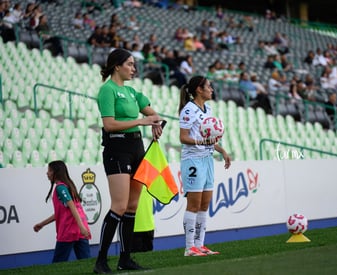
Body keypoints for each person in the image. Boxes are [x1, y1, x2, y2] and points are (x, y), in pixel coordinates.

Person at [94, 48, 163, 274]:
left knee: (132, 206)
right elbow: (109, 124)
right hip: (117, 147)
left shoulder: (133, 92)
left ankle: (125, 259)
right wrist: (142, 122)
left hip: (136, 148)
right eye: (130, 64)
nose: (134, 69)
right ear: (117, 66)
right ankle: (101, 261)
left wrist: (155, 122)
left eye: (134, 65)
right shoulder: (107, 90)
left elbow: (154, 114)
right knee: (120, 206)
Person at [178, 76, 231, 256]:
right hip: (193, 160)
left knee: (205, 204)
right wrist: (202, 141)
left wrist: (221, 150)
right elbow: (183, 137)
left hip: (207, 159)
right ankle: (189, 247)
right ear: (199, 90)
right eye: (209, 86)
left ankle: (200, 245)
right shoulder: (188, 110)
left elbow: (208, 138)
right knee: (193, 204)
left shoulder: (207, 109)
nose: (212, 89)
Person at [33, 160, 91, 263]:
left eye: (49, 170)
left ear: (56, 172)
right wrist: (42, 224)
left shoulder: (60, 187)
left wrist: (81, 227)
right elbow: (62, 213)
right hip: (80, 230)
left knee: (58, 265)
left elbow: (72, 206)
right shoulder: (69, 185)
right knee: (86, 263)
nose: (47, 173)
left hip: (69, 231)